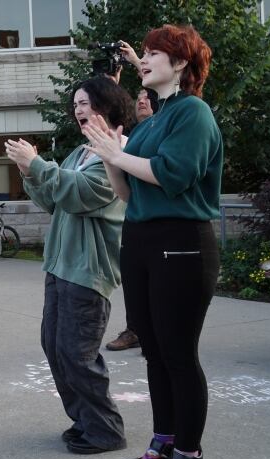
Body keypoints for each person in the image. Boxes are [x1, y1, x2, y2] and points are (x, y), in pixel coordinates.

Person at [83, 24, 222, 459]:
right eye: (142, 53)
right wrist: (109, 158)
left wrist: (120, 153)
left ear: (181, 63)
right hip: (141, 240)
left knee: (179, 354)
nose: (143, 59)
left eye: (154, 53)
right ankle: (164, 444)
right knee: (155, 353)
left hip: (181, 243)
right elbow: (128, 193)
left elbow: (172, 176)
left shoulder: (193, 113)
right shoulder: (152, 121)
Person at [5, 76, 134, 455]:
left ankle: (106, 430)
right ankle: (85, 421)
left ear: (107, 105)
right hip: (61, 265)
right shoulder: (81, 153)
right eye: (76, 103)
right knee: (56, 347)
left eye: (86, 102)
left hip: (90, 270)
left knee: (78, 354)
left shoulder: (119, 153)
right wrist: (30, 173)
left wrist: (38, 164)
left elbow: (81, 194)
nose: (78, 109)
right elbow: (55, 199)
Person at [105, 88, 153, 352]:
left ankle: (155, 333)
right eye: (139, 97)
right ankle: (136, 330)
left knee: (159, 286)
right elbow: (124, 193)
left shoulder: (165, 133)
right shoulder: (130, 138)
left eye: (148, 96)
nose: (142, 100)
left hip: (160, 223)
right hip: (133, 219)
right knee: (135, 284)